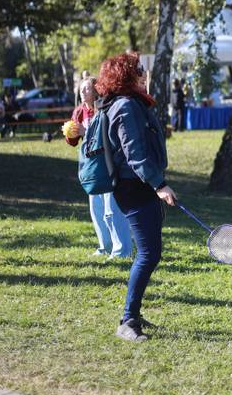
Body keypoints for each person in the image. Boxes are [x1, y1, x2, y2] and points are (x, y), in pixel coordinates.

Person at [97, 53, 177, 342]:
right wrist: (159, 185)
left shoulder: (131, 103)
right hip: (135, 187)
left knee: (150, 253)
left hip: (140, 185)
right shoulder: (126, 106)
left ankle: (133, 314)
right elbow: (135, 155)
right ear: (126, 75)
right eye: (138, 69)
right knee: (148, 254)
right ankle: (128, 320)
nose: (144, 73)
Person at [64, 77, 133, 260]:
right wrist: (70, 133)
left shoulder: (104, 108)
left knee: (111, 209)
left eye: (87, 88)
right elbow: (72, 141)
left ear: (96, 91)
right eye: (81, 89)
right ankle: (105, 246)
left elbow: (106, 136)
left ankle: (121, 250)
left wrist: (85, 132)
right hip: (91, 166)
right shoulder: (79, 111)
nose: (82, 92)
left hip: (108, 163)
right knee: (96, 209)